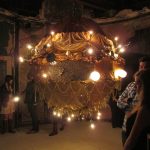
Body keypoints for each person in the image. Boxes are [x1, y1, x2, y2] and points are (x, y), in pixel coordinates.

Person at [117, 56, 150, 145]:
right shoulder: (131, 85)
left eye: (146, 67)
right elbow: (119, 101)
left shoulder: (148, 89)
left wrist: (131, 107)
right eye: (141, 67)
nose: (142, 70)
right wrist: (129, 105)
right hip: (125, 127)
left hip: (141, 131)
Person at [124, 69, 150, 150]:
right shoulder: (140, 103)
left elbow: (132, 138)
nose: (135, 86)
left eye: (138, 83)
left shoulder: (145, 108)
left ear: (146, 85)